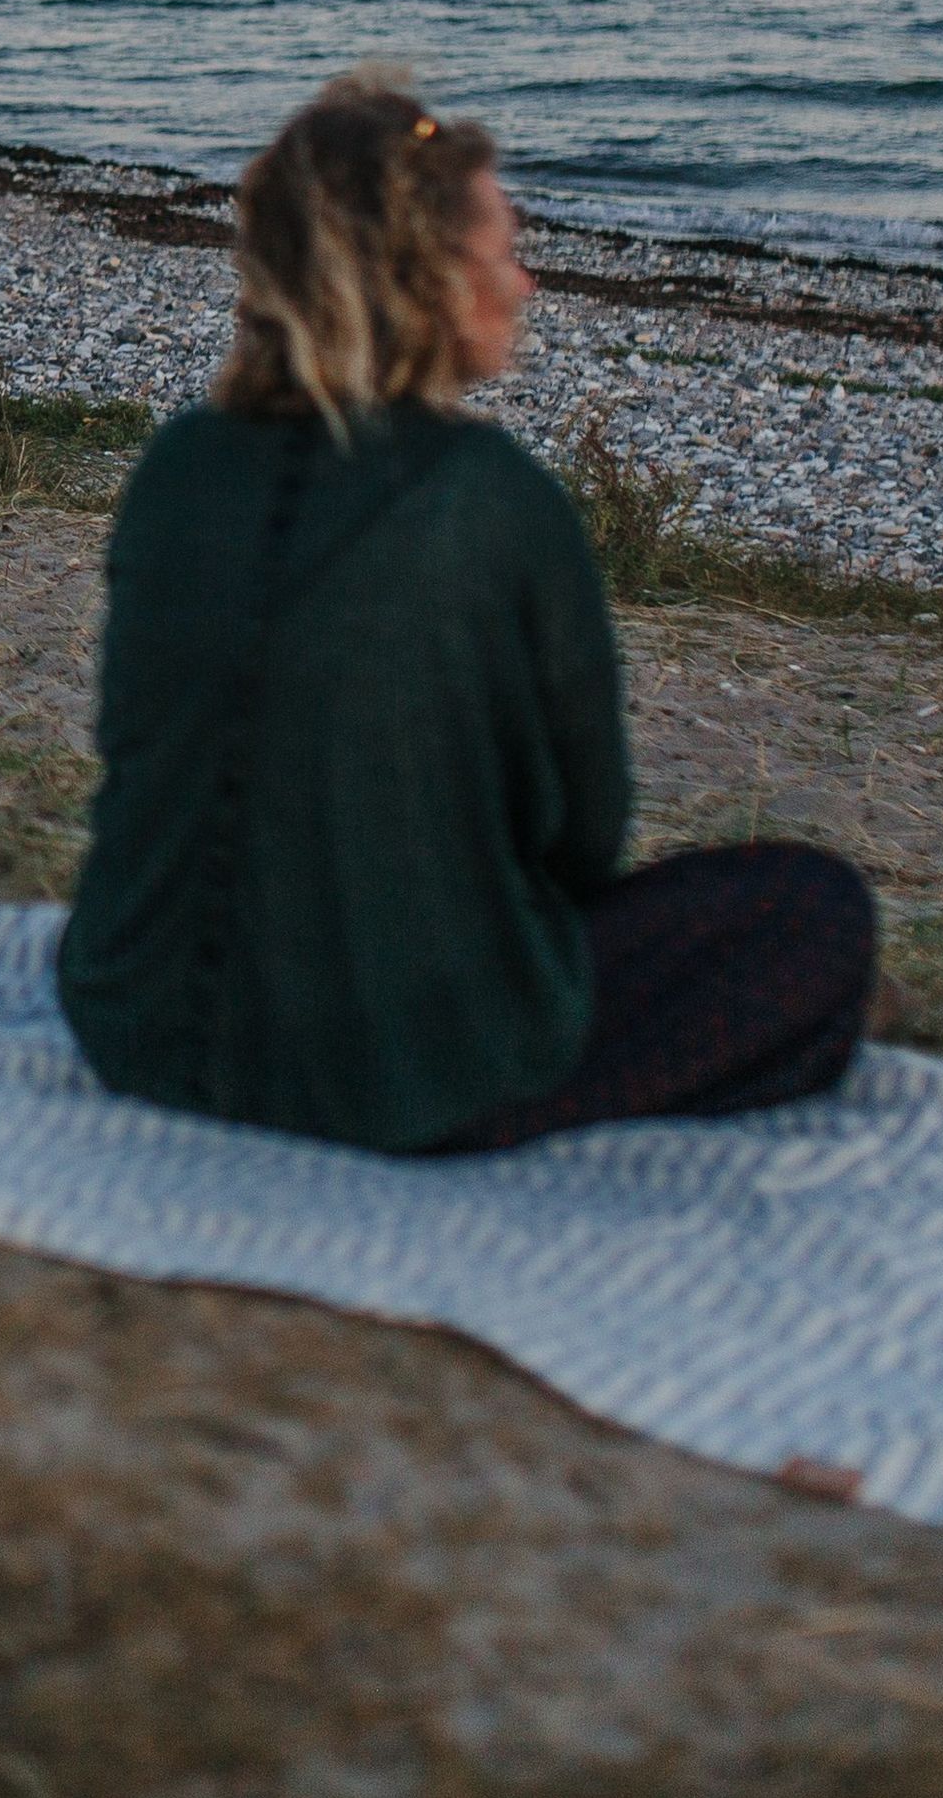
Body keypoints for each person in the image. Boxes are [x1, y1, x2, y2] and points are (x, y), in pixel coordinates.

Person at [56, 65, 875, 1154]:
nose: (525, 282)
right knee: (813, 914)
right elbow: (580, 838)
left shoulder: (175, 467)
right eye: (503, 251)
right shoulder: (491, 497)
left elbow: (137, 749)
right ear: (431, 281)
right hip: (389, 1076)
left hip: (133, 1024)